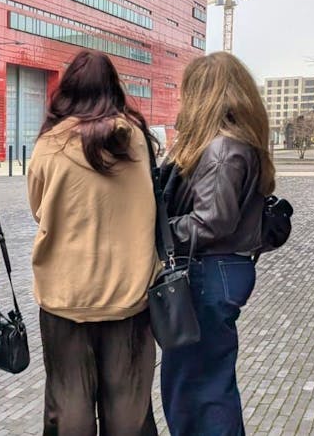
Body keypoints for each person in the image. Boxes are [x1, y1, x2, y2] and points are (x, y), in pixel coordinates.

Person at [27, 50, 160, 435]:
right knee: (130, 412)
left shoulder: (49, 145)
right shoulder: (137, 141)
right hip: (130, 296)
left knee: (69, 410)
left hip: (65, 297)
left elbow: (39, 210)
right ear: (113, 89)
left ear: (67, 91)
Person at [160, 52, 276, 435]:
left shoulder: (222, 150)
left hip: (208, 270)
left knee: (198, 386)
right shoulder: (240, 143)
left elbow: (213, 221)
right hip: (223, 269)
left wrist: (161, 231)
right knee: (207, 381)